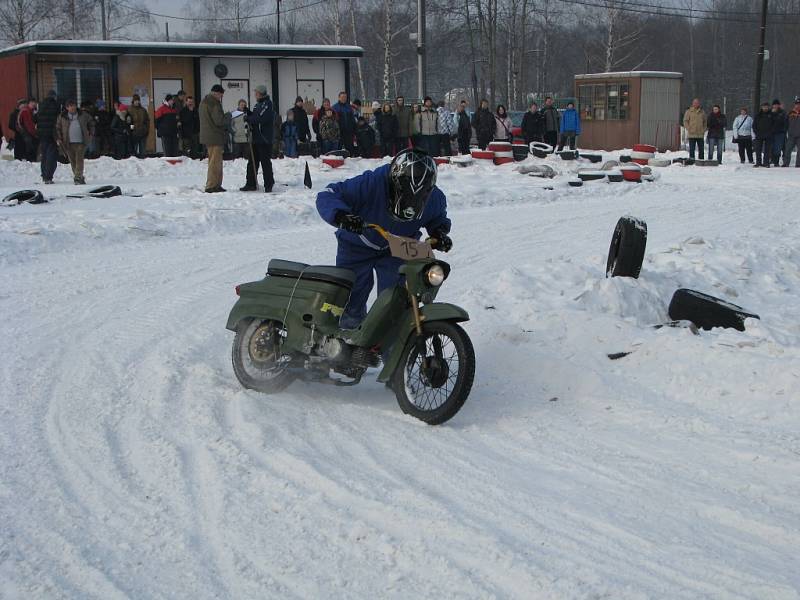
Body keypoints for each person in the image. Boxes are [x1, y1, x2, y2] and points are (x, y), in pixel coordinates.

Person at [315, 148, 452, 329]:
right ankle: (346, 342)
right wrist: (341, 216)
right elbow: (329, 193)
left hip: (397, 249)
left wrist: (439, 233)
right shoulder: (372, 183)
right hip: (357, 244)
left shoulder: (434, 199)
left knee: (394, 300)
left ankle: (390, 344)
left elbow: (437, 218)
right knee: (351, 296)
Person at [242, 85, 275, 192]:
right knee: (252, 161)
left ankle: (268, 184)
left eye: (256, 93)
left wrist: (249, 118)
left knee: (265, 162)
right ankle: (250, 183)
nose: (255, 95)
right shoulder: (257, 105)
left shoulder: (267, 105)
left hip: (264, 139)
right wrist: (248, 112)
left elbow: (260, 118)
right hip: (256, 138)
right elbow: (255, 115)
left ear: (261, 93)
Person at [56, 99, 93, 184]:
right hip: (68, 142)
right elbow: (58, 127)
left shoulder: (83, 115)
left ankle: (77, 177)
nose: (72, 108)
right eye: (70, 106)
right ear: (67, 108)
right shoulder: (62, 116)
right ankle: (79, 176)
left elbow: (91, 123)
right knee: (72, 161)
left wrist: (91, 133)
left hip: (81, 141)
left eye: (73, 105)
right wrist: (59, 137)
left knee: (79, 159)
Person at [199, 84, 227, 192]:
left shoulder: (204, 101)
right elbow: (219, 121)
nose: (221, 97)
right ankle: (212, 185)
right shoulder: (214, 103)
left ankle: (215, 184)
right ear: (216, 93)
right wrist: (228, 117)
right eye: (221, 94)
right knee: (215, 162)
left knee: (213, 161)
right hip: (215, 136)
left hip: (208, 136)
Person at [36, 90, 60, 184]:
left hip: (42, 134)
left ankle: (44, 175)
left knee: (44, 155)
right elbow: (58, 119)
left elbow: (35, 118)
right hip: (52, 134)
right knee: (52, 155)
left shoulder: (41, 105)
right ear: (54, 96)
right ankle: (48, 176)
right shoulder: (56, 105)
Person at [333, 91, 356, 155]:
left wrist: (353, 129)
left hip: (348, 132)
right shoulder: (335, 107)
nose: (344, 98)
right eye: (342, 97)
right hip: (339, 132)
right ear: (339, 98)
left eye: (345, 97)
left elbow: (352, 120)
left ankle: (350, 161)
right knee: (338, 148)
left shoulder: (349, 107)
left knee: (350, 148)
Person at [753, 102, 774, 168]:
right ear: (761, 107)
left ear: (768, 107)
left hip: (769, 135)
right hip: (759, 134)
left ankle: (766, 163)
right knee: (758, 150)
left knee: (767, 150)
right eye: (764, 107)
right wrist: (756, 132)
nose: (765, 108)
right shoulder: (758, 115)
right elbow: (754, 125)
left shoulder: (772, 115)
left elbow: (774, 125)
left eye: (766, 107)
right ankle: (758, 163)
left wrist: (771, 132)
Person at [128, 94, 149, 158]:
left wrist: (146, 129)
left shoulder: (143, 110)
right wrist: (132, 130)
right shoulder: (130, 110)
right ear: (133, 101)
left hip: (143, 133)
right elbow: (129, 122)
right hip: (134, 134)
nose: (137, 102)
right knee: (133, 152)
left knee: (142, 152)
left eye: (138, 100)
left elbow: (147, 121)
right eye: (135, 100)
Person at [770, 99, 787, 167]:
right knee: (772, 147)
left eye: (777, 104)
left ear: (779, 105)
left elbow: (785, 122)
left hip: (780, 132)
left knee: (778, 147)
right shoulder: (770, 112)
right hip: (771, 132)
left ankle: (776, 162)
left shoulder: (782, 112)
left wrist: (784, 130)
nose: (775, 106)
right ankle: (772, 160)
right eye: (774, 104)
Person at [783, 98, 800, 167]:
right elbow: (785, 123)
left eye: (799, 104)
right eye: (797, 104)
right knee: (787, 150)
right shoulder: (790, 113)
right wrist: (785, 131)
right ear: (794, 105)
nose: (798, 105)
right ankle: (786, 163)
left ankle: (798, 164)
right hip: (791, 135)